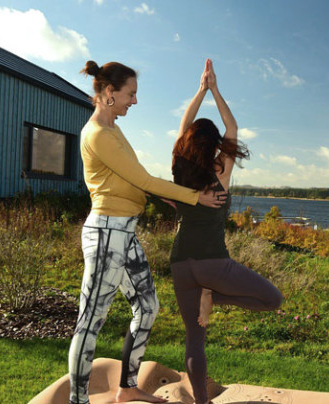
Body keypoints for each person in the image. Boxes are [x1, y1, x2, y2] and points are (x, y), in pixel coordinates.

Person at [68, 60, 227, 404]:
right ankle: (77, 401)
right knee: (90, 321)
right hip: (107, 233)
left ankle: (127, 388)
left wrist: (167, 199)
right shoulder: (97, 133)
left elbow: (133, 178)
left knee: (148, 306)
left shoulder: (112, 130)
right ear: (109, 93)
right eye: (131, 94)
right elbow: (141, 179)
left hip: (124, 232)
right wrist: (192, 197)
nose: (134, 101)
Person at [169, 59, 284, 404]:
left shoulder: (179, 166)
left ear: (189, 141)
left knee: (194, 338)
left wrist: (199, 91)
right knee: (272, 299)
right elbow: (232, 125)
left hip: (179, 263)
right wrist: (215, 90)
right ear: (213, 143)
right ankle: (213, 296)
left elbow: (183, 124)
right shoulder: (220, 168)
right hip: (213, 263)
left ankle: (201, 401)